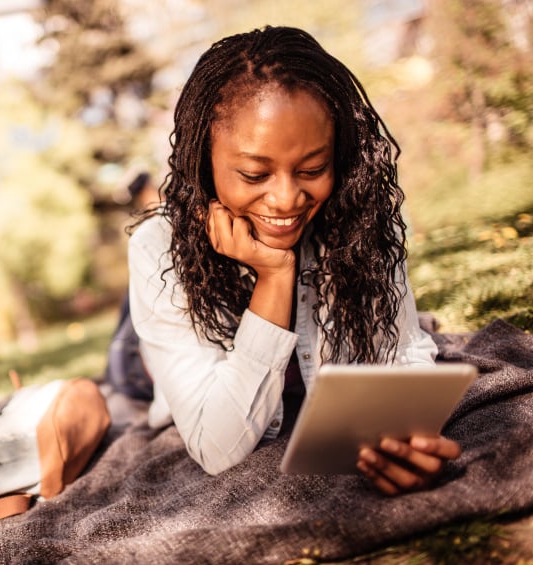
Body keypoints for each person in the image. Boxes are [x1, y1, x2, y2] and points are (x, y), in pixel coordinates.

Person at [127, 26, 460, 495]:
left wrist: (413, 438)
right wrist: (275, 274)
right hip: (146, 351)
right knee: (124, 373)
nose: (286, 199)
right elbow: (217, 447)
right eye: (254, 173)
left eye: (312, 170)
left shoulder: (358, 217)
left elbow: (404, 354)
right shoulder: (155, 248)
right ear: (204, 165)